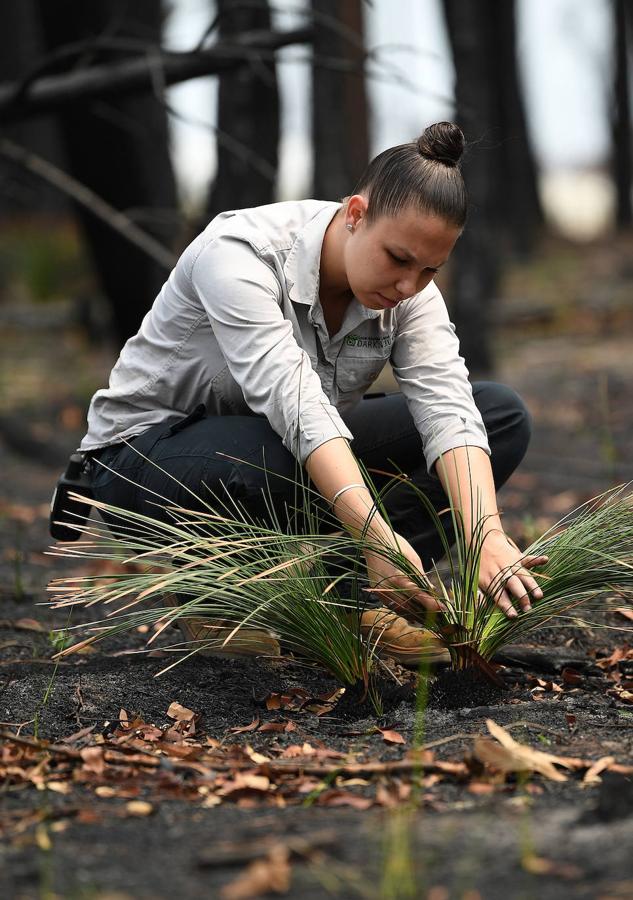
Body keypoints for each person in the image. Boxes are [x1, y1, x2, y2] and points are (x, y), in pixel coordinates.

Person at [80, 121, 546, 664]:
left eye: (429, 270)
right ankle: (223, 593)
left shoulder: (411, 291)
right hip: (142, 462)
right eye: (397, 259)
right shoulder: (239, 254)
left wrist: (483, 533)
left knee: (499, 417)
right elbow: (295, 406)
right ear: (355, 214)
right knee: (274, 450)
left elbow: (448, 406)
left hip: (281, 448)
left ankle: (355, 600)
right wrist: (374, 532)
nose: (408, 287)